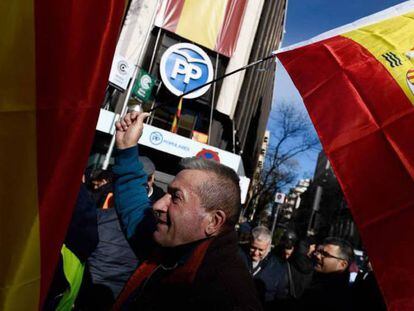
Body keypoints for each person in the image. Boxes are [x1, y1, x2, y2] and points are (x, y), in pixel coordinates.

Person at [112, 111, 262, 310]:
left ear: (213, 221)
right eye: (167, 193)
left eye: (176, 197)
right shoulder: (170, 246)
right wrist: (127, 149)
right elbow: (136, 211)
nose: (157, 205)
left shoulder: (227, 295)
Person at [296, 237, 354, 310]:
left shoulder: (335, 297)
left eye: (325, 254)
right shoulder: (315, 280)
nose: (318, 256)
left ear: (342, 265)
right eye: (319, 252)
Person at [239, 226, 285, 309]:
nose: (256, 253)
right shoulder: (236, 255)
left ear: (268, 247)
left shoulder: (277, 268)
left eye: (261, 250)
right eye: (253, 248)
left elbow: (279, 296)